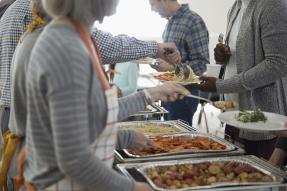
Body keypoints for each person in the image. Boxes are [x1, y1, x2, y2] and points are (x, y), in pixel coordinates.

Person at [13, 0, 191, 191]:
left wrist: (153, 94)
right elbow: (74, 160)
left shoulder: (77, 37)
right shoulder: (65, 48)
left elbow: (93, 115)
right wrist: (136, 188)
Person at [192, 0, 287, 160]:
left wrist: (221, 85)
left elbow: (278, 64)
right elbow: (246, 57)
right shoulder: (236, 7)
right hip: (235, 113)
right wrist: (224, 56)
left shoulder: (272, 5)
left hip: (262, 119)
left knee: (261, 181)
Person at [148, 0, 209, 125]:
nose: (152, 9)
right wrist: (159, 62)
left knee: (180, 142)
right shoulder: (171, 22)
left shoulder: (193, 21)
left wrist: (171, 68)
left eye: (153, 4)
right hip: (169, 92)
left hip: (183, 95)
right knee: (169, 138)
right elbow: (172, 59)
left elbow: (201, 64)